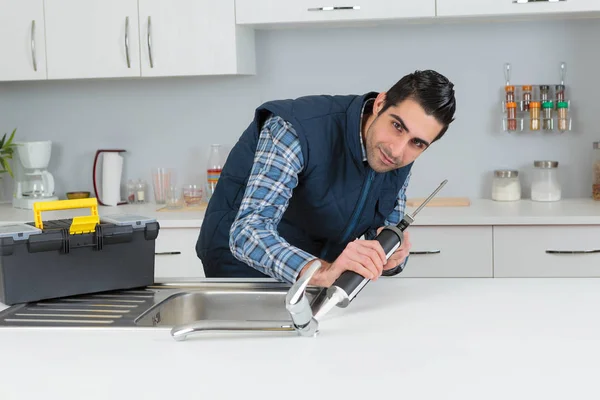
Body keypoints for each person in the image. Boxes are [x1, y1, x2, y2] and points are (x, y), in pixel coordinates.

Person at [196, 69, 456, 287]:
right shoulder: (295, 128)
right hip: (244, 278)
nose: (398, 150)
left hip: (322, 280)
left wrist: (391, 257)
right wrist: (319, 272)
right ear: (380, 104)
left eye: (418, 143)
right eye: (397, 126)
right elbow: (247, 233)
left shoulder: (395, 156)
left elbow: (382, 235)